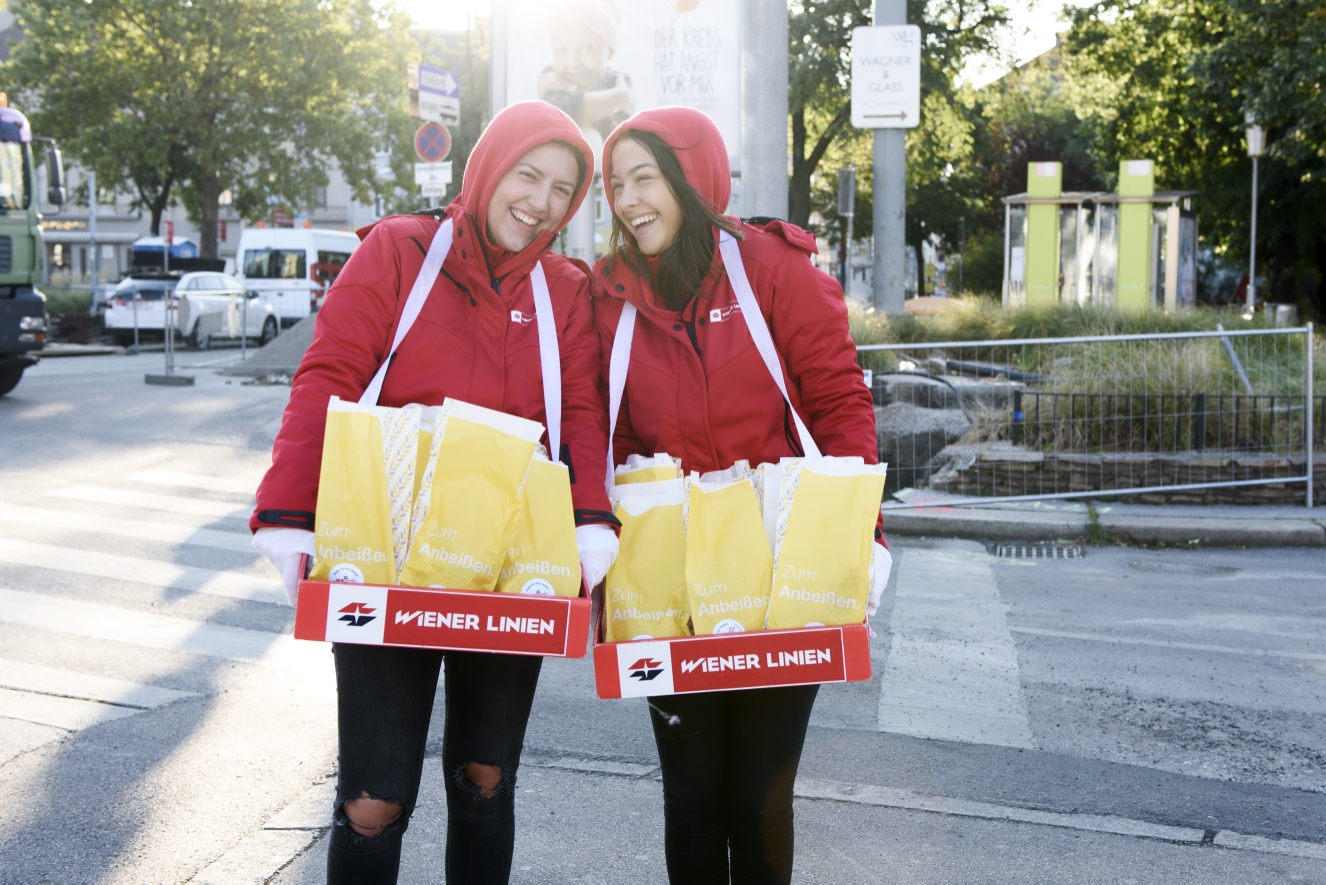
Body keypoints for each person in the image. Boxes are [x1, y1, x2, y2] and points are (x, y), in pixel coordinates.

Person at [250, 101, 620, 884]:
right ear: (487, 168)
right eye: (527, 174)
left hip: (510, 563)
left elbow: (583, 412)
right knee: (374, 798)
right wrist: (287, 513)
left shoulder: (565, 288)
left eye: (562, 187)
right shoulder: (399, 250)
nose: (541, 200)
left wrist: (590, 520)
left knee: (485, 778)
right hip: (384, 551)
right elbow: (329, 376)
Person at [592, 107, 887, 884]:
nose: (626, 199)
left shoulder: (774, 270)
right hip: (667, 577)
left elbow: (839, 406)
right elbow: (596, 427)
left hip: (780, 570)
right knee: (691, 795)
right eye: (615, 183)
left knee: (760, 796)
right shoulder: (609, 293)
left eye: (643, 177)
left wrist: (865, 535)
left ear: (693, 176)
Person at [537, 0, 634, 141]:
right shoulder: (551, 78)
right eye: (561, 51)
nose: (573, 62)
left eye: (586, 48)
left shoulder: (617, 80)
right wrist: (618, 98)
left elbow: (618, 129)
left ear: (610, 51)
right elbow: (566, 112)